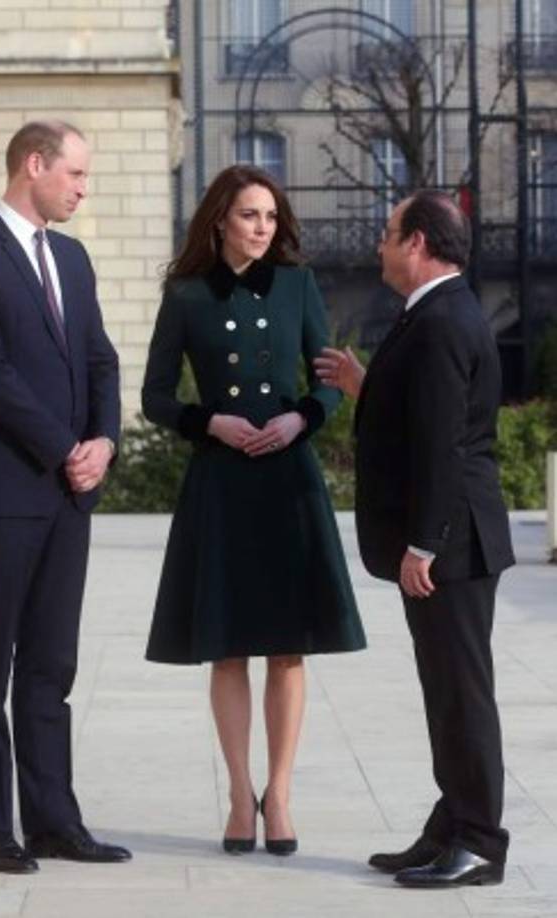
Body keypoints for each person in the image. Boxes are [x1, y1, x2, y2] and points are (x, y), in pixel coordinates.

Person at [142, 164, 366, 856]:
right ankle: (241, 795)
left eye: (270, 216)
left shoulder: (298, 287)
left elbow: (329, 383)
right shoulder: (184, 295)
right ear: (220, 220)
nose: (263, 228)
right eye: (249, 215)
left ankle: (283, 794)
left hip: (287, 480)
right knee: (230, 646)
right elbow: (154, 396)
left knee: (288, 646)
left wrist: (303, 420)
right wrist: (209, 424)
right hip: (222, 480)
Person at [0, 120, 131, 873]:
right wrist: (65, 450)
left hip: (68, 497)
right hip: (7, 493)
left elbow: (101, 361)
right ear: (35, 164)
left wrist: (104, 443)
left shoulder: (74, 261)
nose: (84, 188)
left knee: (52, 666)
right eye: (76, 175)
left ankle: (54, 821)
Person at [315, 189, 514, 888]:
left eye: (389, 232)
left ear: (419, 245)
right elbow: (421, 414)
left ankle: (481, 841)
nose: (380, 243)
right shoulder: (435, 313)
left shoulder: (440, 322)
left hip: (453, 541)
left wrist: (423, 543)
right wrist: (366, 385)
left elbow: (441, 446)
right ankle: (451, 825)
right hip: (453, 535)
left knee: (462, 693)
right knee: (446, 689)